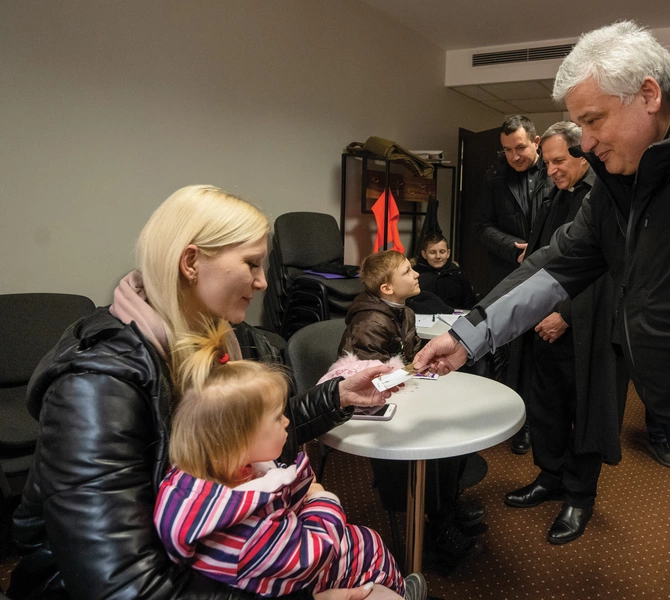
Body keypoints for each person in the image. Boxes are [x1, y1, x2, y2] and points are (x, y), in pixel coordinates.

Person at [415, 20, 670, 599]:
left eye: (594, 121)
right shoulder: (624, 177)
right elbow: (558, 263)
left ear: (648, 94)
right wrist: (469, 334)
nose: (585, 142)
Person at [9, 185, 404, 600]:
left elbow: (244, 433)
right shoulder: (96, 386)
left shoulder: (234, 339)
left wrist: (338, 396)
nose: (264, 281)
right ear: (191, 262)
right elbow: (122, 585)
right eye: (252, 263)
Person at [155, 321, 426, 600]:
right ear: (239, 441)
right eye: (277, 417)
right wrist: (324, 499)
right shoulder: (240, 531)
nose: (287, 420)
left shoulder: (223, 474)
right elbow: (309, 556)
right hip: (340, 577)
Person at [504, 122, 628, 544]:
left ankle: (579, 496)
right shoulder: (554, 194)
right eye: (550, 161)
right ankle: (550, 476)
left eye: (561, 161)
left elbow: (606, 270)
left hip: (586, 331)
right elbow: (545, 259)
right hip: (543, 328)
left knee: (586, 412)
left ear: (583, 154)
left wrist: (566, 316)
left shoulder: (605, 195)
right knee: (547, 406)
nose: (552, 169)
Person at [338, 250, 484, 567]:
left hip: (398, 395)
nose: (416, 274)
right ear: (387, 288)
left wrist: (424, 364)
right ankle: (440, 524)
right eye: (407, 272)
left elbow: (411, 354)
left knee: (453, 426)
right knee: (436, 439)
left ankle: (447, 503)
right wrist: (412, 373)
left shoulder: (403, 312)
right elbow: (369, 383)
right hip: (370, 411)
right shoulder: (371, 325)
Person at [473, 115, 550, 454]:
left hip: (548, 276)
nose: (514, 156)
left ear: (536, 142)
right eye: (507, 150)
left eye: (520, 148)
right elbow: (480, 226)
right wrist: (510, 246)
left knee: (540, 356)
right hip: (506, 274)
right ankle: (510, 421)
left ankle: (536, 422)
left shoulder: (556, 172)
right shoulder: (495, 179)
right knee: (505, 351)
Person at [411, 232, 477, 310]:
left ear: (448, 253)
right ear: (424, 254)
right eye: (432, 252)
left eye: (442, 252)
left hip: (453, 319)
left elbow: (470, 305)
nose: (438, 256)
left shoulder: (458, 275)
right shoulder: (414, 275)